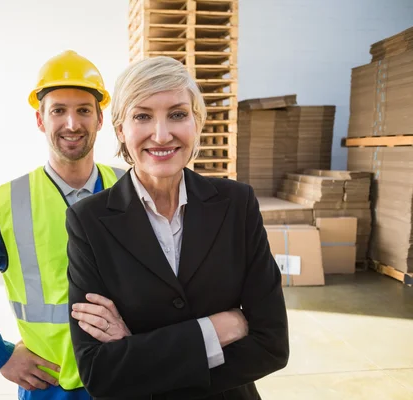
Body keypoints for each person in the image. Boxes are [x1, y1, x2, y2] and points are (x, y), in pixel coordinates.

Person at [65, 56, 290, 399]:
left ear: (196, 123)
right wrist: (216, 329)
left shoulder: (236, 204)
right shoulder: (88, 221)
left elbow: (272, 345)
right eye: (142, 116)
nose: (161, 134)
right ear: (121, 130)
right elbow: (99, 371)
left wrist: (137, 351)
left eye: (177, 114)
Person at [0, 50, 125, 400]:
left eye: (83, 110)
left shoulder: (131, 191)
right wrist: (1, 356)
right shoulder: (7, 203)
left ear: (100, 119)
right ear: (40, 120)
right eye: (58, 110)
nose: (72, 124)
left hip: (129, 376)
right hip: (51, 388)